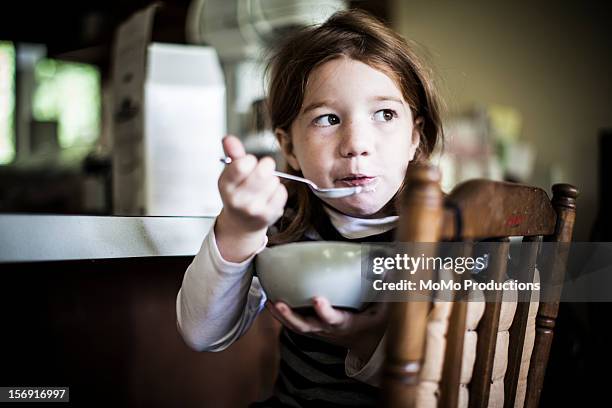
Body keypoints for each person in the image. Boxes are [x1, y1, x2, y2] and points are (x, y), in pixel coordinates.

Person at [176, 9, 443, 407]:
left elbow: (459, 381)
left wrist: (366, 341)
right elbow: (202, 334)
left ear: (414, 138)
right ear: (289, 148)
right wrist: (238, 230)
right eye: (328, 119)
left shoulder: (450, 236)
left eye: (385, 114)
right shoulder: (283, 227)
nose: (356, 143)